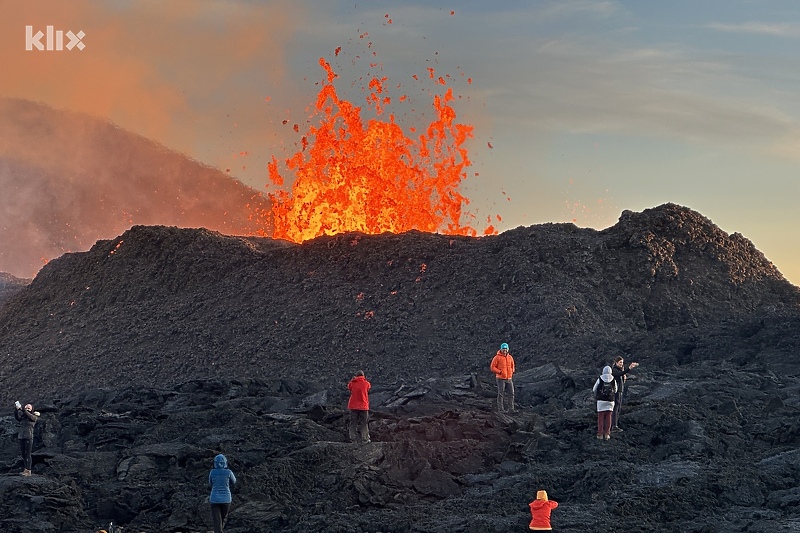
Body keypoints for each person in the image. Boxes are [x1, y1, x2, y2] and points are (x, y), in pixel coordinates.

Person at [208, 453, 236, 533]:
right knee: (223, 519)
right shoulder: (228, 472)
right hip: (226, 499)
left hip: (214, 499)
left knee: (217, 520)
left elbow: (210, 483)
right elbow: (234, 481)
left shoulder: (212, 472)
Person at [611, 355, 639, 431]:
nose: (621, 364)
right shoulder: (614, 370)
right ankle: (614, 426)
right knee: (616, 408)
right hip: (616, 391)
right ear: (616, 362)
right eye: (620, 362)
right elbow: (619, 374)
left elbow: (622, 376)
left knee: (618, 408)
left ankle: (614, 424)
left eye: (622, 362)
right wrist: (629, 368)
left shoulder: (619, 370)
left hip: (619, 391)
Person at [593, 366, 617, 440]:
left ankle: (600, 434)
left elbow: (594, 389)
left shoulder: (600, 378)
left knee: (600, 417)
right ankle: (607, 434)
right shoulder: (613, 379)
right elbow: (615, 390)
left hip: (601, 401)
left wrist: (597, 395)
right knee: (608, 417)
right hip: (610, 401)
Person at [490, 342, 516, 412]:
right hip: (500, 378)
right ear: (501, 349)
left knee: (511, 393)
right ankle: (501, 409)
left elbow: (512, 365)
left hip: (509, 378)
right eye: (503, 348)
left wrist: (512, 371)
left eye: (506, 348)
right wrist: (500, 372)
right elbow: (492, 367)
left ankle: (511, 409)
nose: (505, 350)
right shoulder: (497, 357)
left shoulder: (510, 357)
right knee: (501, 394)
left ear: (508, 349)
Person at [15, 402, 39, 476]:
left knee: (27, 454)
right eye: (26, 407)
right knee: (23, 454)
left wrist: (23, 409)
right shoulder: (23, 417)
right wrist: (16, 410)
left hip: (28, 437)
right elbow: (16, 417)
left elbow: (29, 415)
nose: (27, 409)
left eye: (29, 408)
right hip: (21, 436)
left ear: (32, 409)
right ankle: (25, 469)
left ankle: (28, 470)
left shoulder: (34, 417)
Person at [347, 370, 371, 444]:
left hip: (353, 406)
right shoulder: (366, 383)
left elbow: (349, 387)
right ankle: (365, 439)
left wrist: (352, 380)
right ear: (363, 376)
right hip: (363, 406)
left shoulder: (353, 383)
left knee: (353, 423)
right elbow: (369, 387)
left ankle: (353, 439)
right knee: (364, 423)